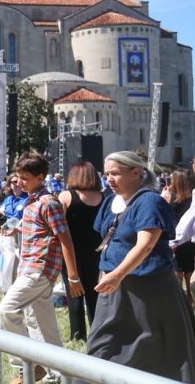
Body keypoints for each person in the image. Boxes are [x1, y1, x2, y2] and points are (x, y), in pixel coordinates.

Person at [74, 152, 195, 383]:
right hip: (113, 287)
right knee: (103, 343)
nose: (109, 179)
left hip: (150, 289)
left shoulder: (150, 201)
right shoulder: (110, 201)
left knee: (158, 347)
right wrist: (108, 273)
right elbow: (107, 242)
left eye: (115, 173)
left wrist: (117, 274)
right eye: (106, 174)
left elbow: (146, 245)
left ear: (136, 173)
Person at [0, 152, 84, 384]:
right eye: (17, 178)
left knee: (6, 311)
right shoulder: (31, 201)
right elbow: (38, 233)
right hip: (29, 267)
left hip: (40, 268)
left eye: (24, 178)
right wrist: (17, 230)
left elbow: (65, 239)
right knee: (42, 326)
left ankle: (28, 364)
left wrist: (73, 277)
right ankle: (58, 374)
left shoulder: (49, 202)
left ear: (40, 177)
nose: (19, 183)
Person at [57, 162, 104, 342]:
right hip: (95, 251)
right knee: (94, 292)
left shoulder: (66, 196)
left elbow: (58, 226)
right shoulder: (103, 196)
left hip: (71, 250)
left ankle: (78, 335)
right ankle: (96, 331)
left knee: (74, 293)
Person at [165, 170, 195, 302]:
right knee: (190, 274)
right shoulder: (193, 198)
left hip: (176, 239)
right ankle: (191, 300)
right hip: (191, 239)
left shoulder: (171, 198)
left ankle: (183, 304)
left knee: (177, 274)